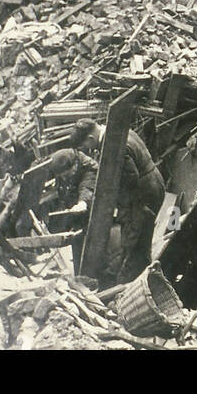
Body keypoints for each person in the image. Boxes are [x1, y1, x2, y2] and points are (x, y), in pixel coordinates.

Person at [72, 119, 165, 281]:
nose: (89, 150)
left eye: (86, 146)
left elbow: (130, 177)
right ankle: (140, 274)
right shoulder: (119, 129)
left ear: (90, 139)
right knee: (140, 236)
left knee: (134, 239)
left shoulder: (113, 146)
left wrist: (112, 198)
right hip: (153, 184)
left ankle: (132, 282)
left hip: (143, 194)